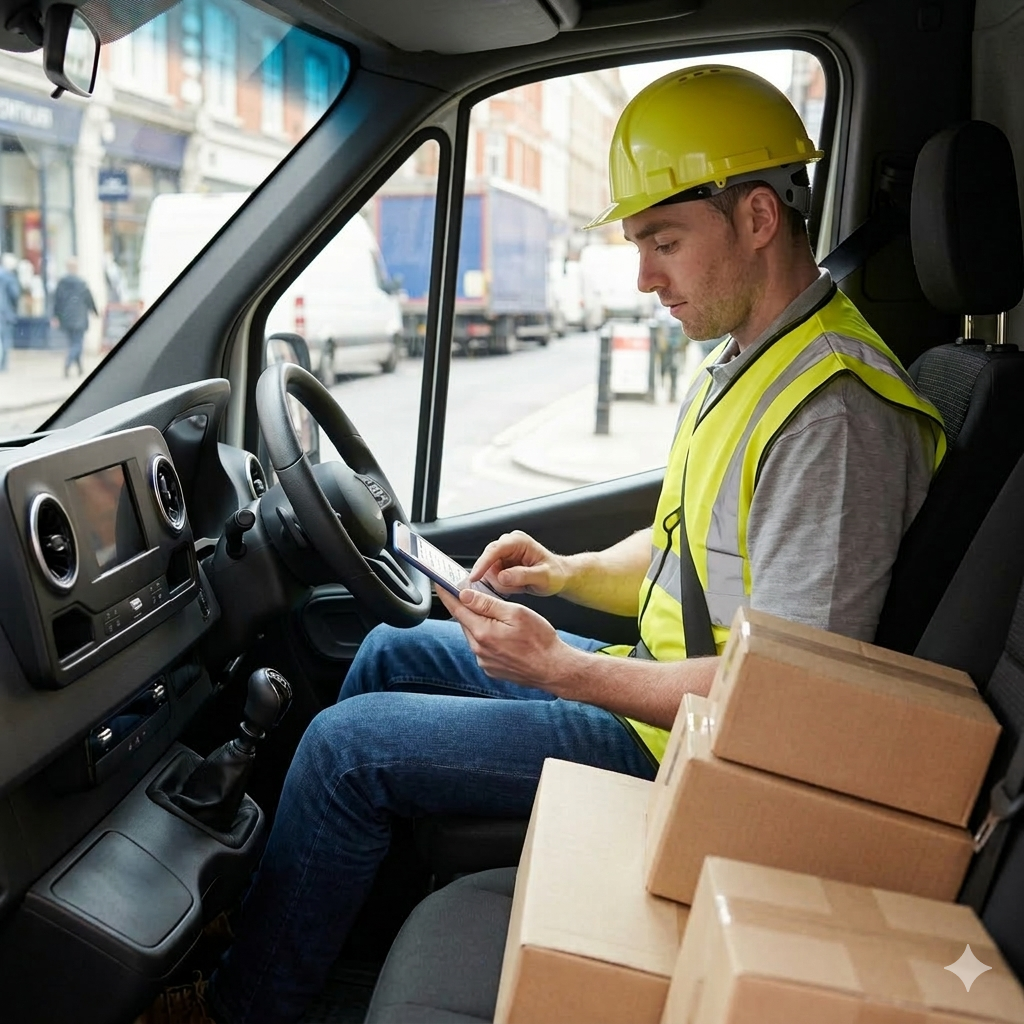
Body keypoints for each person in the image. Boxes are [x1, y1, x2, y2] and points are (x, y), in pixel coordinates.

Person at [143, 66, 945, 1024]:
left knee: (345, 750)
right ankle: (322, 933)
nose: (645, 277)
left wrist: (563, 668)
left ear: (760, 218)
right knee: (392, 648)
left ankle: (245, 1009)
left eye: (664, 241)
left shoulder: (835, 418)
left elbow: (785, 704)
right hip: (667, 697)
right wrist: (564, 573)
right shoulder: (754, 359)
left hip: (695, 761)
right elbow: (690, 551)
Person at [52, 257, 97, 377]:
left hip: (66, 318)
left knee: (73, 342)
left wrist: (55, 316)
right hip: (80, 317)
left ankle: (80, 368)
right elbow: (89, 300)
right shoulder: (82, 283)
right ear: (76, 268)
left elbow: (57, 301)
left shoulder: (62, 283)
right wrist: (95, 312)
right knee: (77, 343)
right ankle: (68, 362)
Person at [0, 253, 20, 372]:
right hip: (4, 312)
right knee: (5, 339)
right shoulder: (9, 277)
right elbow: (15, 295)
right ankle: (3, 365)